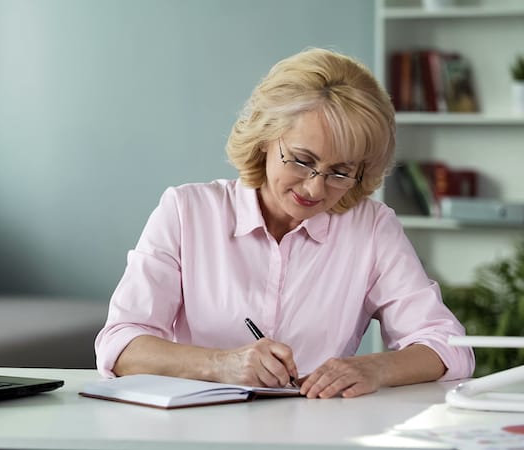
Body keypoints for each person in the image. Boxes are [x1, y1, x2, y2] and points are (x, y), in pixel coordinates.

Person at [94, 47, 475, 399]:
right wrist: (222, 364)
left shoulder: (371, 228)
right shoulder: (186, 211)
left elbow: (447, 346)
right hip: (196, 430)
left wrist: (375, 367)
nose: (315, 187)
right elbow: (121, 344)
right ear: (264, 137)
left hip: (319, 432)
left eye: (340, 172)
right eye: (301, 159)